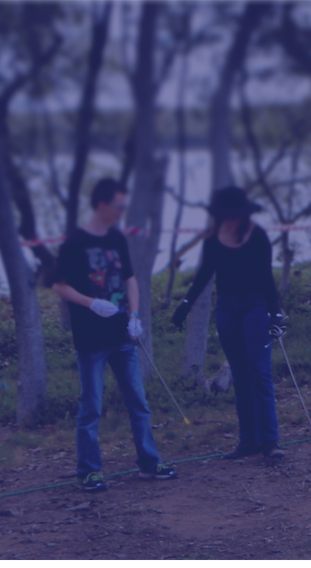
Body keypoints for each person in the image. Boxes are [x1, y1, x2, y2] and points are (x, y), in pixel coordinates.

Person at [52, 179, 177, 491]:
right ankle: (89, 471)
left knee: (138, 401)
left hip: (122, 336)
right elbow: (59, 284)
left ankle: (149, 462)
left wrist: (134, 314)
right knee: (91, 406)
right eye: (119, 206)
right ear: (102, 205)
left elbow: (130, 278)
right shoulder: (75, 243)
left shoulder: (117, 239)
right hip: (91, 341)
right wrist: (90, 302)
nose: (122, 211)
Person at [171, 187, 287, 459]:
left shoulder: (256, 236)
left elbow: (266, 275)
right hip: (226, 306)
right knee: (240, 374)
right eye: (226, 215)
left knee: (260, 372)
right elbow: (204, 273)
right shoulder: (213, 239)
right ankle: (248, 441)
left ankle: (270, 441)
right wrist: (185, 305)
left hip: (254, 305)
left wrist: (276, 312)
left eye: (235, 215)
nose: (230, 219)